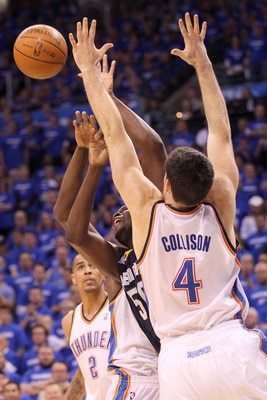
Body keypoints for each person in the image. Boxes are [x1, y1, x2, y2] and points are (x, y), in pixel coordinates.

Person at [69, 12, 267, 399]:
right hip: (229, 344)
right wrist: (204, 65)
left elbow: (115, 137)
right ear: (208, 183)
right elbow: (221, 134)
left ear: (165, 183)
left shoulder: (146, 210)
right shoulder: (222, 202)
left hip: (176, 362)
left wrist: (91, 74)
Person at [54, 56, 166, 398]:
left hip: (173, 364)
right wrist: (89, 157)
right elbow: (69, 222)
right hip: (142, 373)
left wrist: (109, 99)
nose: (119, 210)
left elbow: (153, 148)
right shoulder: (119, 263)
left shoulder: (162, 236)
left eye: (127, 207)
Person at [61, 254, 111, 400]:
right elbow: (83, 373)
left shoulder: (118, 306)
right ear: (73, 278)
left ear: (103, 272)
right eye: (81, 267)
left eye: (93, 265)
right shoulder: (70, 321)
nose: (87, 271)